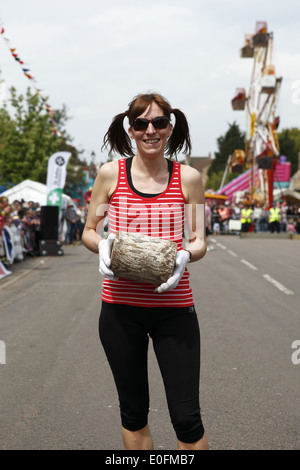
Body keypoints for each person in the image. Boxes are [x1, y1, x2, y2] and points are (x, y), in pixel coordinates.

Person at [82, 92, 209, 451]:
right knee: (133, 412)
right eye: (141, 123)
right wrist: (102, 245)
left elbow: (200, 239)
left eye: (158, 122)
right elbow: (90, 230)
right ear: (131, 129)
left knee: (187, 419)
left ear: (170, 127)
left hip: (175, 311)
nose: (150, 130)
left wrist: (186, 253)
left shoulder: (189, 178)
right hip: (120, 312)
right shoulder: (110, 175)